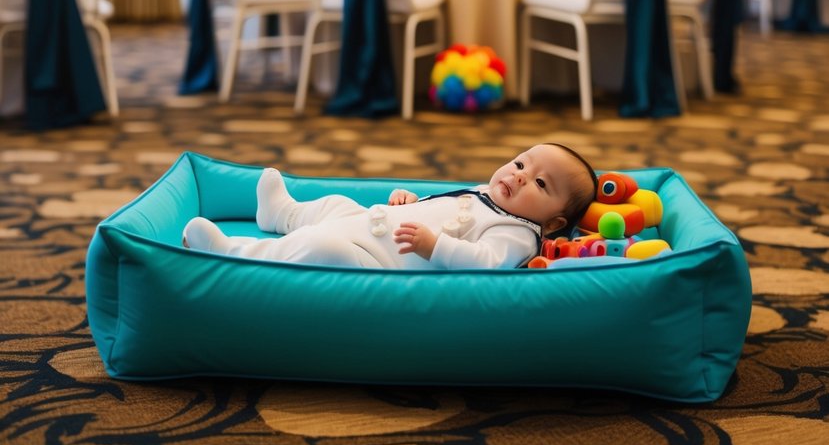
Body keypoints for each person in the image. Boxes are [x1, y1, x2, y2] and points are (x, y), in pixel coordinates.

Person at [182, 143, 598, 271]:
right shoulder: (489, 195)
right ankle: (281, 215)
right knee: (336, 205)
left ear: (555, 222)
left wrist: (434, 246)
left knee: (322, 247)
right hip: (376, 224)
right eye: (522, 162)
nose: (520, 174)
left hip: (373, 259)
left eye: (540, 183)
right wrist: (412, 204)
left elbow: (486, 264)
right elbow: (453, 212)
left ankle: (230, 252)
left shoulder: (519, 233)